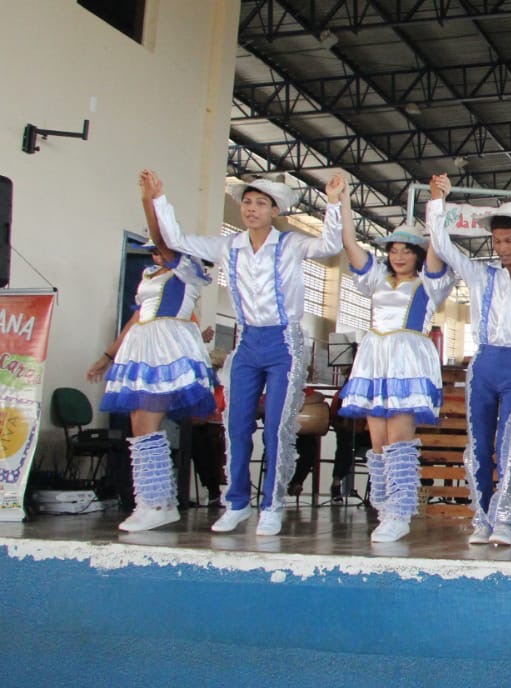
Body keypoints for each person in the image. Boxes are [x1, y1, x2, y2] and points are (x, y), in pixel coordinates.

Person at [150, 169, 346, 536]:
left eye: (260, 203)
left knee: (276, 427)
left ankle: (272, 505)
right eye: (247, 202)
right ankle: (236, 502)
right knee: (235, 425)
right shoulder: (229, 246)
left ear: (275, 210)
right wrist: (159, 199)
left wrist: (333, 202)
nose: (251, 209)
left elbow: (330, 246)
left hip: (283, 342)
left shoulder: (290, 243)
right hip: (246, 343)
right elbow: (176, 238)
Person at [426, 174, 511, 546]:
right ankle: (482, 516)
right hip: (483, 363)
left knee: (510, 441)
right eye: (497, 240)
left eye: (509, 240)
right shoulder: (477, 273)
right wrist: (438, 200)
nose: (502, 247)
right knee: (478, 441)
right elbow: (442, 244)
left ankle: (506, 519)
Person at [86, 173, 217, 532]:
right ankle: (154, 501)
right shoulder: (150, 274)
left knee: (146, 425)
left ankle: (156, 503)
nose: (156, 251)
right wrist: (109, 356)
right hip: (140, 346)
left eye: (160, 247)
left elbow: (163, 238)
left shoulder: (188, 271)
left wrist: (150, 201)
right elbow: (135, 316)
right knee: (139, 427)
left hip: (166, 347)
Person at [332, 186, 455, 543]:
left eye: (406, 250)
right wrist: (340, 203)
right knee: (378, 443)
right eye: (394, 250)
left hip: (406, 360)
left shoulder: (430, 284)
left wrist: (438, 202)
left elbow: (438, 246)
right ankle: (385, 508)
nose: (399, 256)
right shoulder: (376, 280)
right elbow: (350, 243)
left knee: (399, 441)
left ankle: (400, 512)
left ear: (417, 254)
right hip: (374, 361)